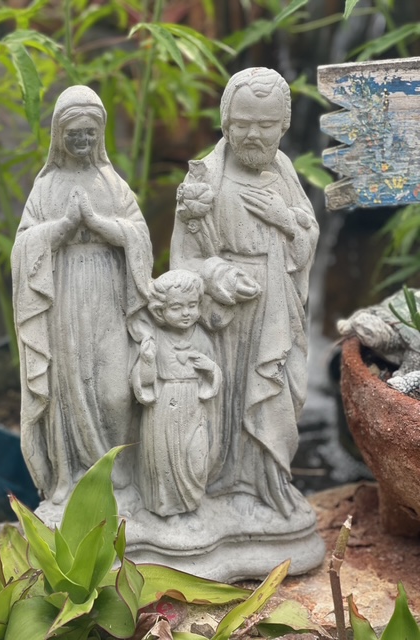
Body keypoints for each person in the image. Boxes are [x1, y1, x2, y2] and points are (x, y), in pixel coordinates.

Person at [170, 68, 319, 517]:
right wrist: (218, 275)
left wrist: (284, 220)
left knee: (274, 394)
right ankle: (217, 489)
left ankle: (266, 486)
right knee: (223, 399)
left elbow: (306, 236)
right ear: (226, 123)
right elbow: (183, 260)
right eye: (243, 124)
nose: (254, 135)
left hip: (276, 305)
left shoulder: (285, 172)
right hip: (225, 316)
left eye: (266, 124)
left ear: (283, 125)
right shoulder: (204, 181)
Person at [12, 85, 153, 505]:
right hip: (65, 296)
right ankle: (70, 476)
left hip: (109, 292)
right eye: (74, 134)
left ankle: (119, 466)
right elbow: (23, 246)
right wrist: (63, 227)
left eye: (90, 133)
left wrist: (98, 223)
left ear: (100, 134)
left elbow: (140, 235)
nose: (82, 141)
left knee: (115, 390)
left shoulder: (112, 183)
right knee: (67, 386)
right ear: (59, 135)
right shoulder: (46, 188)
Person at [131, 269, 222, 516]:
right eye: (176, 307)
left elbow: (214, 376)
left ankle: (191, 505)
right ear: (160, 311)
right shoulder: (155, 338)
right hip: (164, 407)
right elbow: (144, 383)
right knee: (163, 461)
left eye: (192, 305)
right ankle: (166, 510)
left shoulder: (202, 337)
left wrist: (210, 368)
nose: (186, 313)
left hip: (194, 405)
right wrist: (147, 360)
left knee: (196, 457)